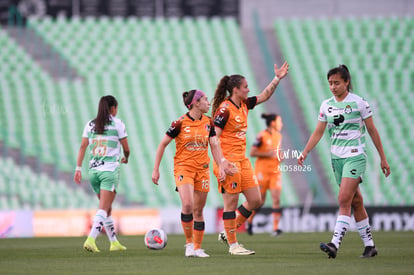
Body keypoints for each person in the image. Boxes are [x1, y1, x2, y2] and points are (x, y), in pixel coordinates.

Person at [298, 65, 391, 259]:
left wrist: (382, 158)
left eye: (336, 83)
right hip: (336, 158)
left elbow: (373, 131)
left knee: (343, 199)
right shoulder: (326, 105)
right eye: (330, 83)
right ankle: (370, 246)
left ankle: (334, 244)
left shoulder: (359, 103)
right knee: (356, 201)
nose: (332, 86)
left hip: (355, 156)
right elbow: (318, 131)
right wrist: (305, 151)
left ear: (346, 82)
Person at [211, 62, 289, 255]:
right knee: (230, 203)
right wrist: (221, 162)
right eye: (245, 87)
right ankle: (233, 245)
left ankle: (226, 233)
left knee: (255, 200)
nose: (249, 89)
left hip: (242, 161)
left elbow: (265, 95)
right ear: (236, 90)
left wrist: (277, 78)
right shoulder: (224, 109)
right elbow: (214, 138)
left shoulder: (244, 104)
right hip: (227, 162)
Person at [152, 90, 236, 258]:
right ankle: (189, 244)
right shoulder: (179, 123)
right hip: (184, 168)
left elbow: (214, 145)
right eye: (205, 99)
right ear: (196, 103)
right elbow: (162, 145)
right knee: (188, 205)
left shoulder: (209, 123)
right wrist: (156, 169)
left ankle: (197, 248)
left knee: (198, 211)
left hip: (202, 170)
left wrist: (221, 165)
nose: (209, 102)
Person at [74, 95, 130, 253]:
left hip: (93, 172)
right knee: (104, 208)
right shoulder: (117, 124)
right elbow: (126, 148)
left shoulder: (90, 124)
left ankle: (114, 243)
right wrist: (126, 157)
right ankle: (91, 239)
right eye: (116, 108)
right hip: (109, 171)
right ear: (113, 108)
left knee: (108, 208)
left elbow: (83, 147)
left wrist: (78, 169)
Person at [247, 113, 284, 236]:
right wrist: (268, 154)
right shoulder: (261, 136)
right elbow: (252, 152)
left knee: (276, 199)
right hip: (262, 172)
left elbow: (277, 152)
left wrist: (280, 156)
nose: (281, 124)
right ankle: (250, 221)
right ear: (273, 123)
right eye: (279, 121)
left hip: (275, 171)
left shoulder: (278, 136)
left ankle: (275, 228)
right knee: (260, 201)